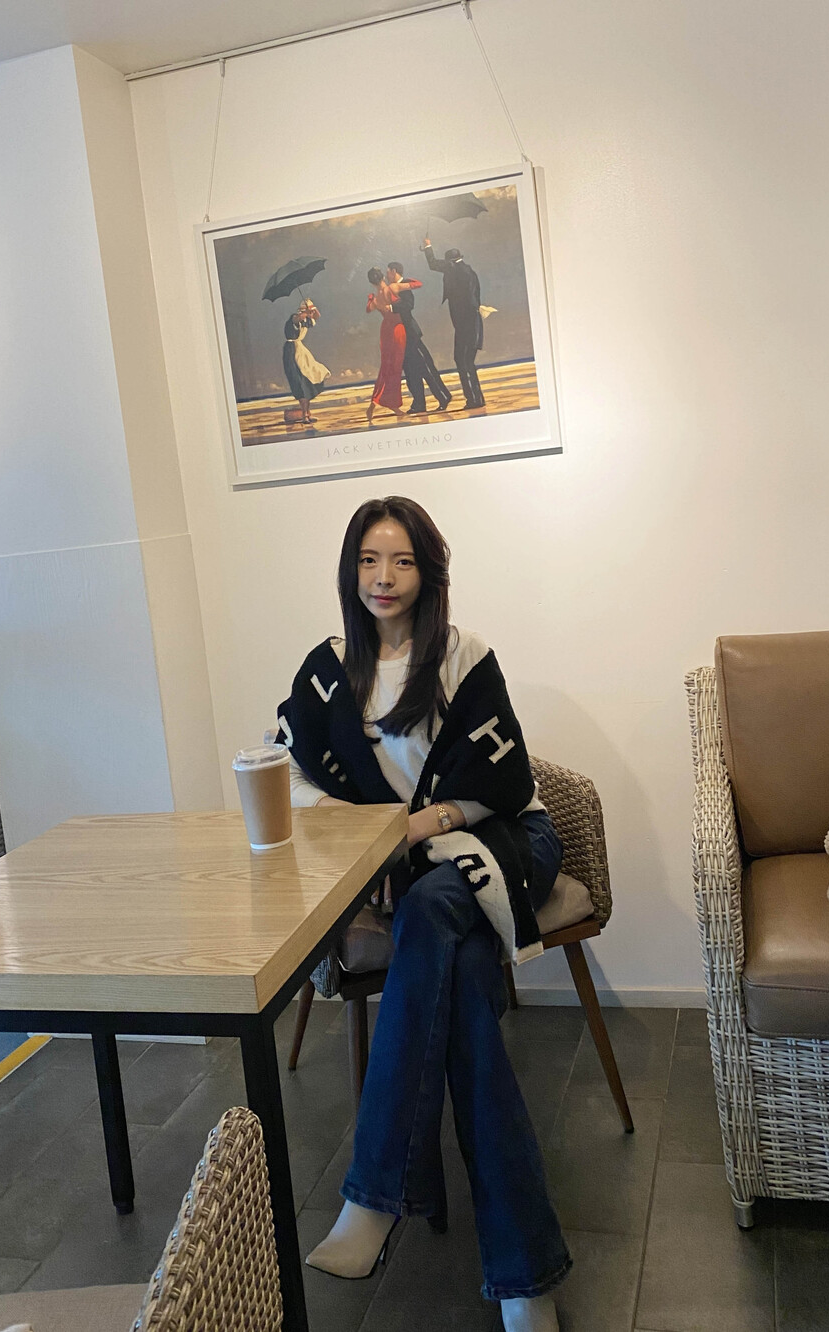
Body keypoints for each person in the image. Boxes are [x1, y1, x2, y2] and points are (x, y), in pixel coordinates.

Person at [276, 496, 570, 1332]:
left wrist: (421, 827)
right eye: (369, 560)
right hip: (413, 873)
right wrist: (364, 843)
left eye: (402, 560)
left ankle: (375, 1196)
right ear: (350, 570)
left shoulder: (464, 658)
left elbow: (506, 784)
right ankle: (524, 1278)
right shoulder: (329, 670)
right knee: (464, 979)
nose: (384, 578)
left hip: (506, 841)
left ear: (428, 572)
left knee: (437, 899)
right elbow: (289, 770)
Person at [422, 239, 486, 409]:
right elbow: (475, 298)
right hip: (473, 323)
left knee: (462, 360)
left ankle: (473, 400)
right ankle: (477, 399)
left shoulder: (453, 269)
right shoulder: (470, 271)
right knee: (467, 361)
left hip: (464, 324)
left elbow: (433, 264)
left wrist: (428, 246)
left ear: (450, 262)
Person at [385, 260, 451, 415]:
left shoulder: (404, 285)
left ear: (394, 271)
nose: (387, 275)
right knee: (410, 370)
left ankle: (442, 397)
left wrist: (392, 307)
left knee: (424, 367)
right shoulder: (397, 286)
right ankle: (419, 403)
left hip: (410, 334)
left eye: (388, 271)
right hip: (403, 336)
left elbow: (409, 305)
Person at [365, 268, 422, 423]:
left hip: (385, 331)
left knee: (386, 367)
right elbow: (418, 284)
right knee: (395, 368)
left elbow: (368, 309)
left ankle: (376, 402)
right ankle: (391, 404)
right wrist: (402, 280)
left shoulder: (376, 298)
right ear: (383, 277)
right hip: (397, 329)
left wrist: (371, 299)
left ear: (372, 282)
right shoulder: (393, 288)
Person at [282, 298, 329, 425]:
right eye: (309, 312)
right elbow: (297, 318)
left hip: (300, 352)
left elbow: (317, 316)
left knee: (308, 383)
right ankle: (304, 415)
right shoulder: (295, 318)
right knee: (300, 383)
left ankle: (307, 413)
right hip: (291, 353)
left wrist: (312, 309)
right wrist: (306, 312)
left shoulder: (306, 321)